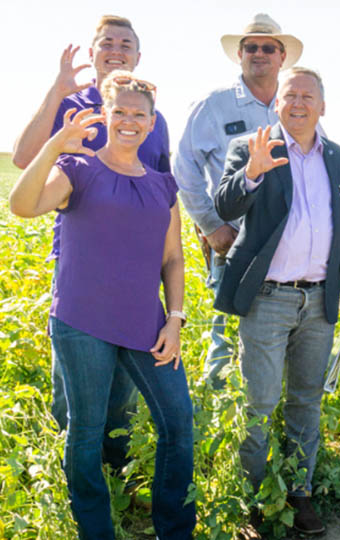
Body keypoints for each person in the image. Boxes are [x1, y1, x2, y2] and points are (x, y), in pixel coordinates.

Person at [9, 71, 193, 540]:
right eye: (120, 112)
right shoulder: (76, 168)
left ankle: (174, 528)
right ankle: (96, 530)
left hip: (146, 324)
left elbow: (173, 258)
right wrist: (56, 145)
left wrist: (175, 319)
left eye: (139, 115)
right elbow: (22, 206)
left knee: (178, 421)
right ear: (106, 115)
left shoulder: (162, 186)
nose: (129, 121)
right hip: (82, 321)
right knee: (86, 432)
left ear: (152, 124)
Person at [11, 15, 171, 466]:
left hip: (135, 272)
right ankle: (79, 484)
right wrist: (56, 91)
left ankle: (116, 478)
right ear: (93, 51)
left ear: (138, 57)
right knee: (76, 391)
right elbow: (24, 159)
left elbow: (163, 190)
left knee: (122, 389)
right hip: (80, 265)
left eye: (126, 44)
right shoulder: (71, 104)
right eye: (107, 43)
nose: (116, 50)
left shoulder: (151, 117)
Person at [214, 67, 340, 537]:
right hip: (267, 297)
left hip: (318, 301)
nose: (298, 103)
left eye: (308, 96)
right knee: (258, 404)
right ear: (275, 104)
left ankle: (299, 495)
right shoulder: (253, 148)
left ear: (323, 106)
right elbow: (224, 206)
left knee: (305, 402)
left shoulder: (339, 158)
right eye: (290, 95)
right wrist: (253, 172)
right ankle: (258, 498)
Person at [175, 14, 314, 388]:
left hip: (286, 251)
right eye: (251, 46)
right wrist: (211, 225)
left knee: (276, 342)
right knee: (226, 336)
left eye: (268, 47)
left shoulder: (295, 104)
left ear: (282, 56)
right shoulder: (213, 105)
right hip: (234, 242)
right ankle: (219, 421)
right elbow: (184, 168)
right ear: (239, 54)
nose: (259, 53)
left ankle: (264, 421)